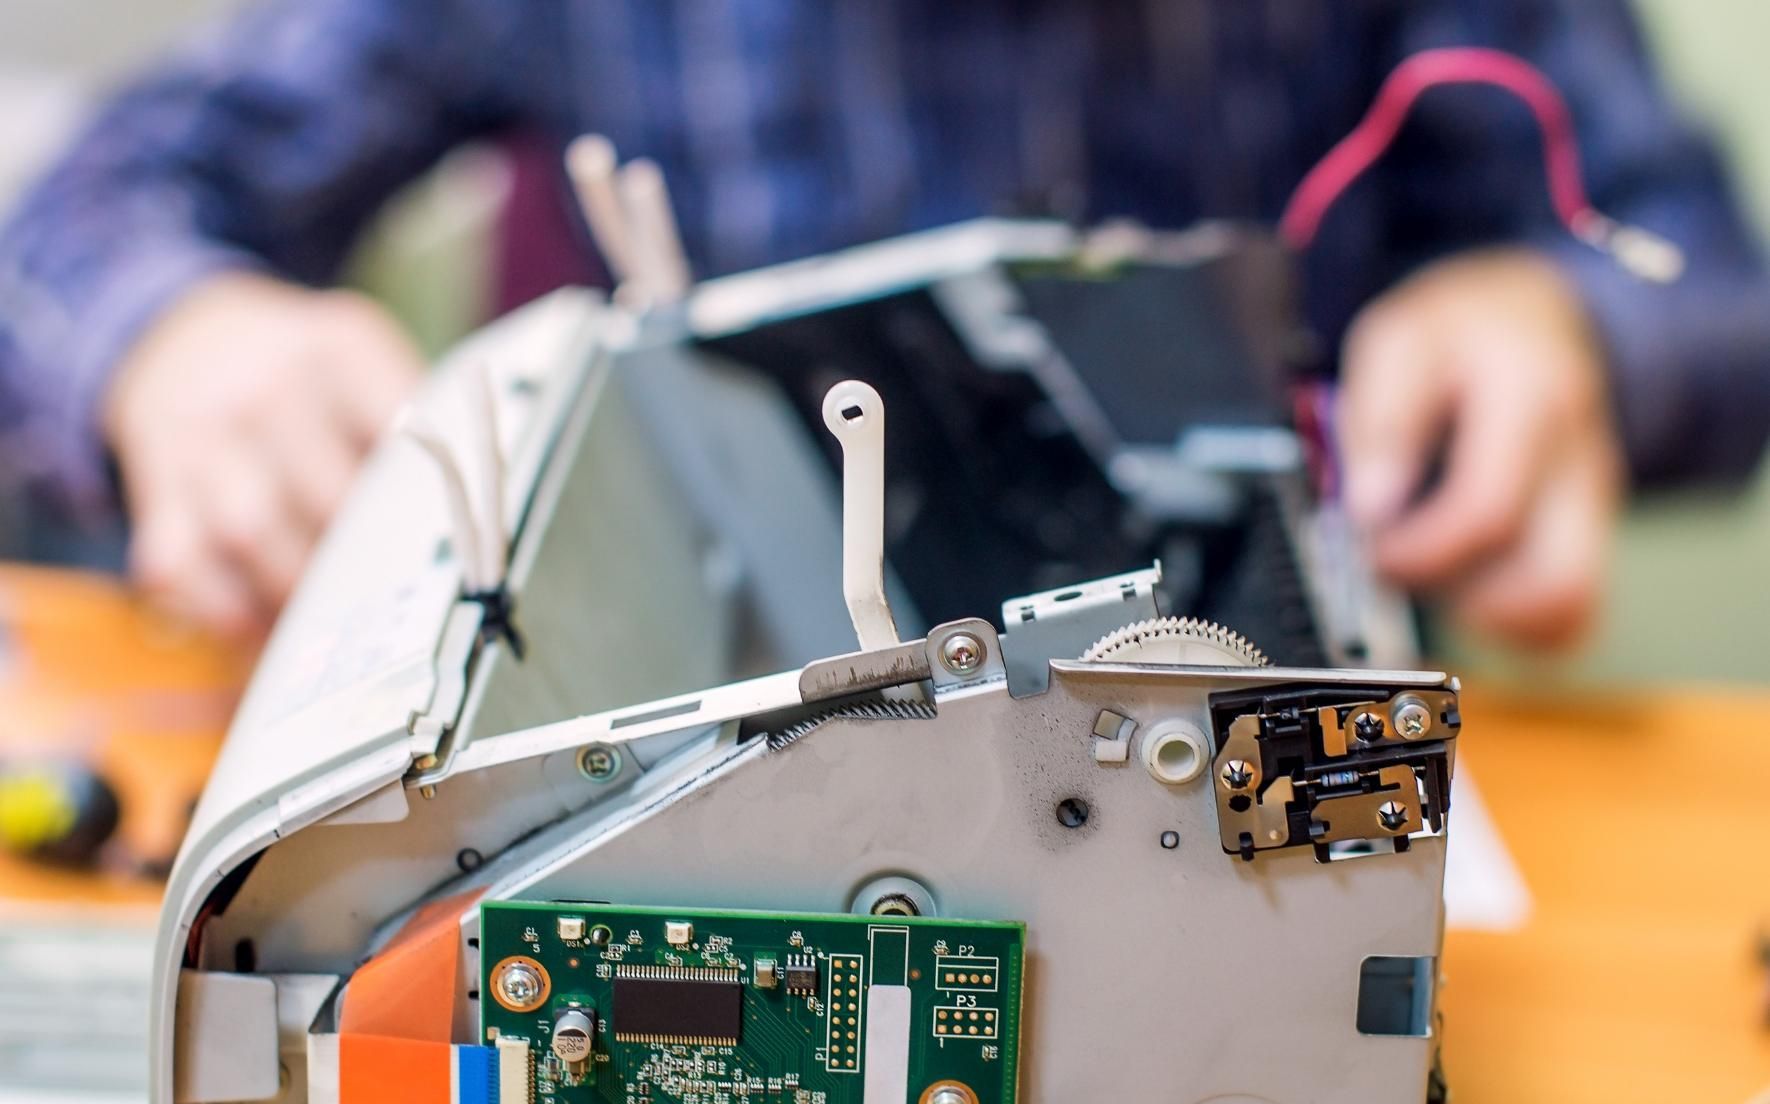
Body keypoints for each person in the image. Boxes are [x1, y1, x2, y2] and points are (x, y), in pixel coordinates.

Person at [1, 0, 1766, 647]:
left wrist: (1572, 328)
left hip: (1272, 769)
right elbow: (86, 214)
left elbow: (1707, 287)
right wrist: (171, 338)